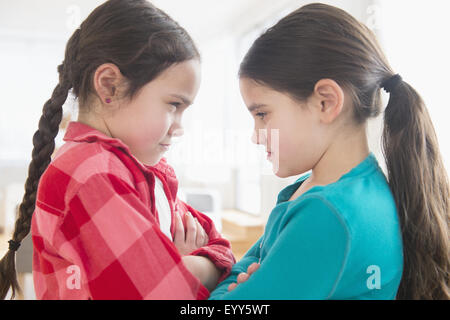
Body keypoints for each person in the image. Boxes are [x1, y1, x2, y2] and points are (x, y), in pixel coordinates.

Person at [210, 3, 449, 300]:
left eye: (262, 114)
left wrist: (225, 282)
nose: (256, 136)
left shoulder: (327, 214)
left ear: (326, 102)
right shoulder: (356, 190)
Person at [0, 0, 235, 300]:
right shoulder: (90, 175)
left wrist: (179, 264)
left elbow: (221, 248)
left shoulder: (143, 171)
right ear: (109, 86)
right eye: (174, 105)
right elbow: (167, 295)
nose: (180, 127)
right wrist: (190, 266)